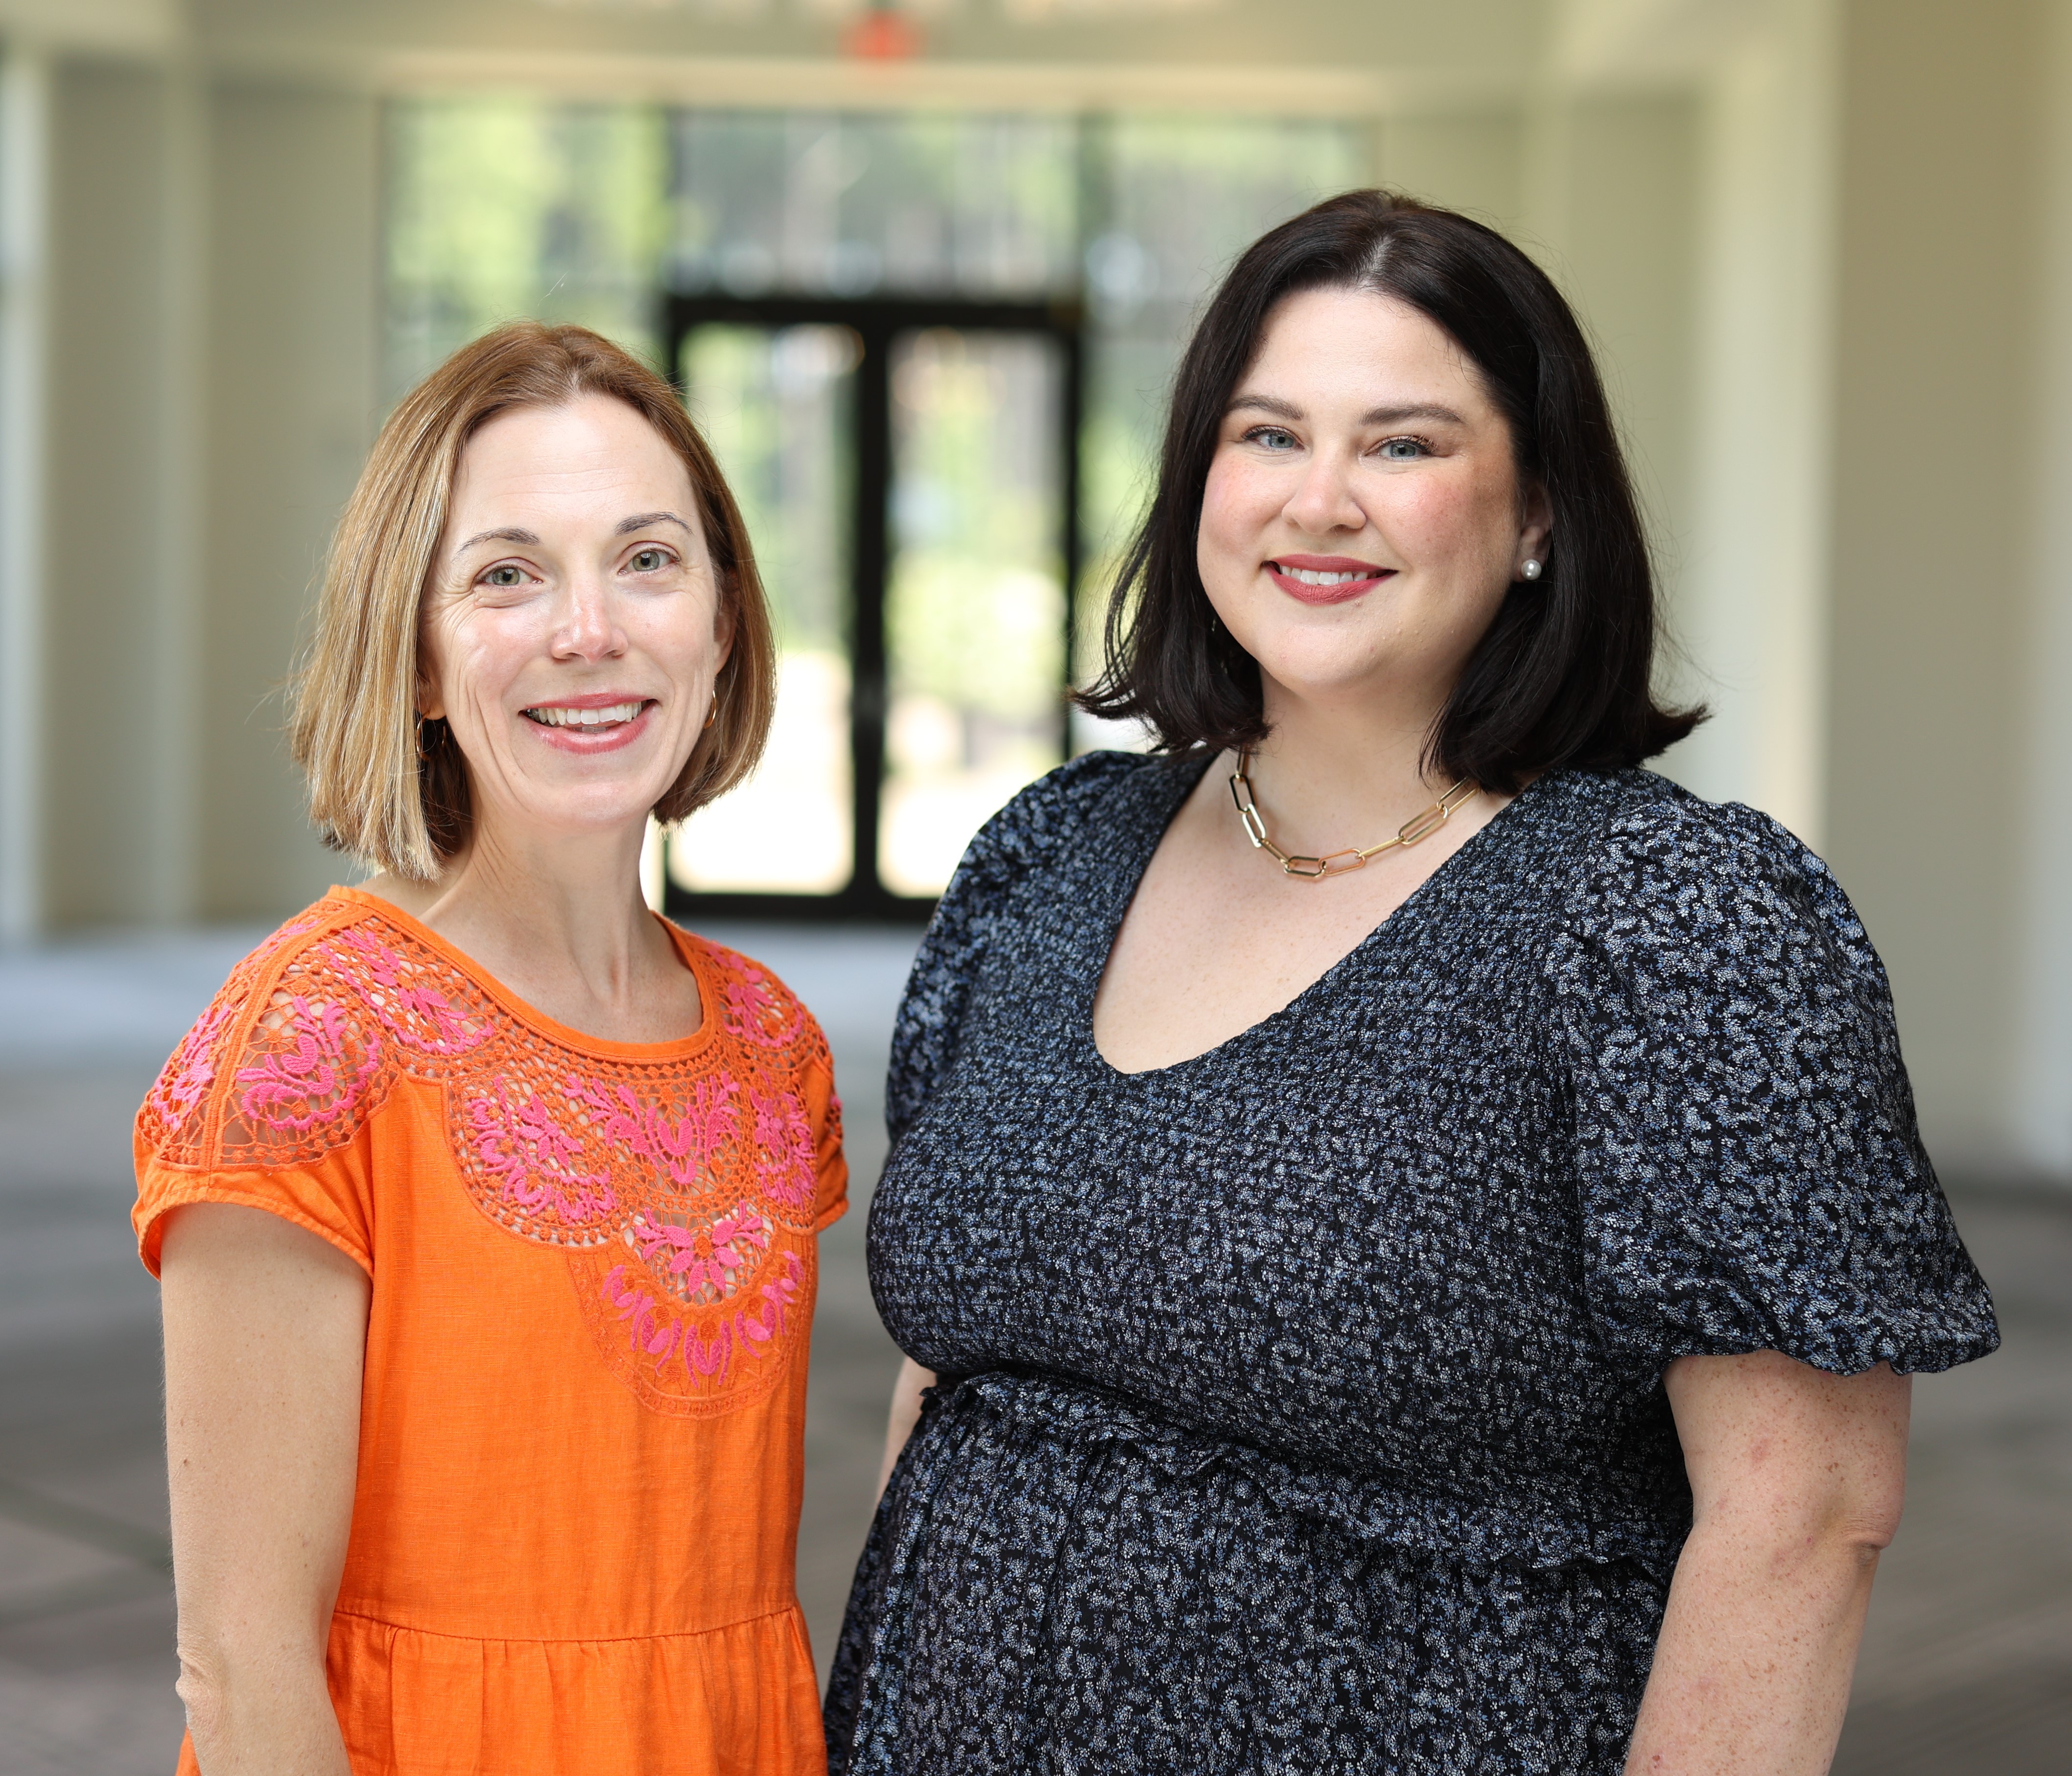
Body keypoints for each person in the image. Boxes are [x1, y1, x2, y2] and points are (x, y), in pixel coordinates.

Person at [825, 191, 1999, 1775]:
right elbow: (950, 1372)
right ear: (1195, 487)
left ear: (1534, 516)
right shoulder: (1050, 854)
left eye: (1403, 445)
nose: (1319, 501)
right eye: (1265, 435)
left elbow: (1804, 1513)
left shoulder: (1665, 919)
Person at [134, 323, 845, 1776]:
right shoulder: (311, 1034)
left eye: (646, 559)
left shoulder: (774, 1044)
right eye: (507, 574)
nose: (589, 629)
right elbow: (239, 1659)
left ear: (720, 619)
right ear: (414, 658)